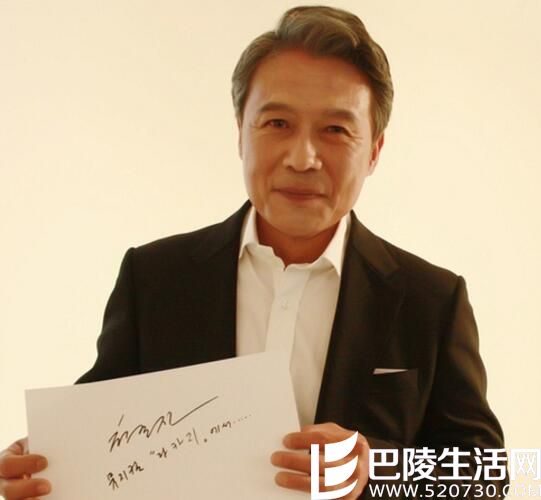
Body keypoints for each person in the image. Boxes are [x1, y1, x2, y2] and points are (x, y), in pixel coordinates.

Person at [0, 6, 506, 499]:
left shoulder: (432, 300)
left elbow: (495, 475)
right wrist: (40, 465)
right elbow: (98, 443)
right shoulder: (154, 279)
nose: (303, 158)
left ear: (373, 150)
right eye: (277, 123)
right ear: (241, 133)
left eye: (335, 130)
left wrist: (378, 468)